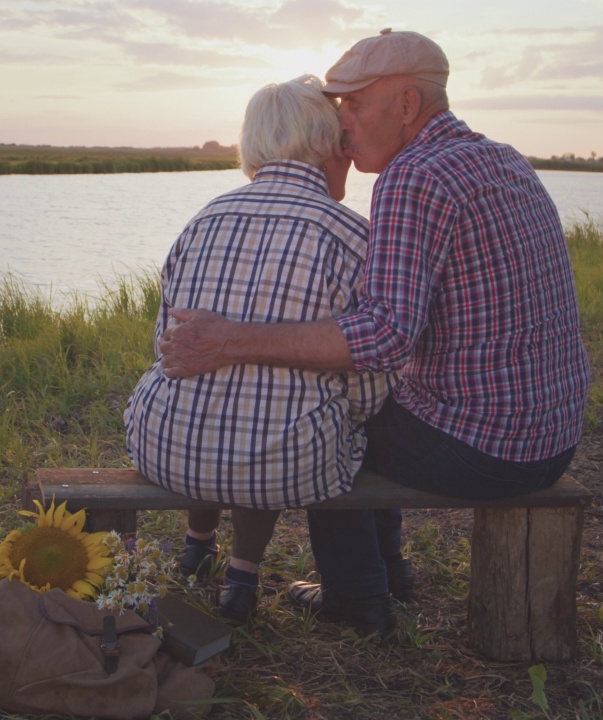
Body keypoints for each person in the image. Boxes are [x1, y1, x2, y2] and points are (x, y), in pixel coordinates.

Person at [157, 29, 590, 636]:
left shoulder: (414, 176)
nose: (344, 123)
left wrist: (231, 338)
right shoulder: (500, 157)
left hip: (487, 447)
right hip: (550, 433)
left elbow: (383, 336)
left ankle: (358, 599)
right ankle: (390, 573)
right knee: (384, 403)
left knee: (332, 428)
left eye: (354, 104)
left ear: (407, 104)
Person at [124, 75, 394, 624]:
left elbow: (166, 346)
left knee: (226, 402)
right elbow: (368, 382)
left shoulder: (204, 220)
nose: (349, 153)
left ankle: (198, 545)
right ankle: (243, 577)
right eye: (344, 140)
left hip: (160, 445)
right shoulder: (353, 236)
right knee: (279, 422)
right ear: (326, 145)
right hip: (284, 464)